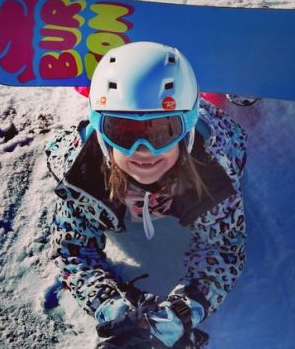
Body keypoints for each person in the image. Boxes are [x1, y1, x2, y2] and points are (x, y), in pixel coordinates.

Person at [46, 42, 248, 348]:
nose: (144, 152)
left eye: (162, 132)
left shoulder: (213, 171)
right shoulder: (83, 174)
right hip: (163, 113)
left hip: (208, 121)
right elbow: (73, 249)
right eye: (122, 132)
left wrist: (184, 311)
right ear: (102, 133)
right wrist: (111, 306)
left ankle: (220, 86)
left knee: (211, 99)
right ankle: (96, 79)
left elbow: (222, 248)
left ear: (187, 129)